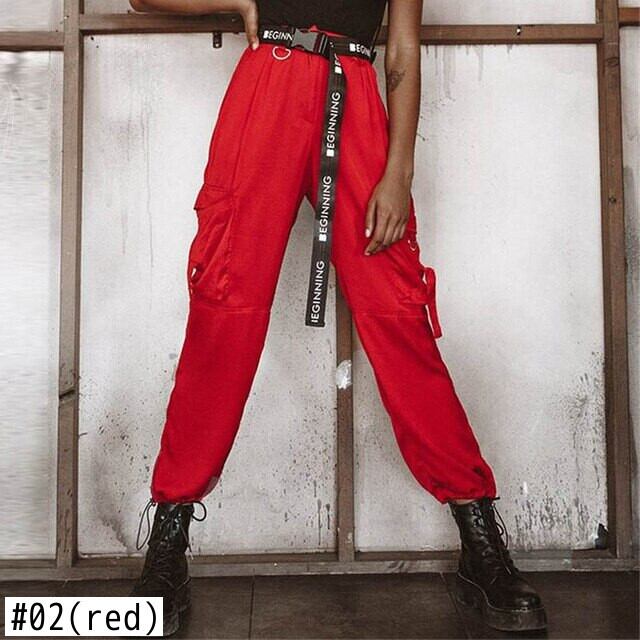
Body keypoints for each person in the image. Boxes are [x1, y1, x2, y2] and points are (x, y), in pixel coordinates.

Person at [127, 0, 547, 635]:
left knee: (397, 314)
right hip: (264, 93)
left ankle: (478, 538)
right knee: (224, 312)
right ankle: (168, 540)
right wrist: (241, 0)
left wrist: (398, 171)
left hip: (356, 101)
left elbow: (401, 50)